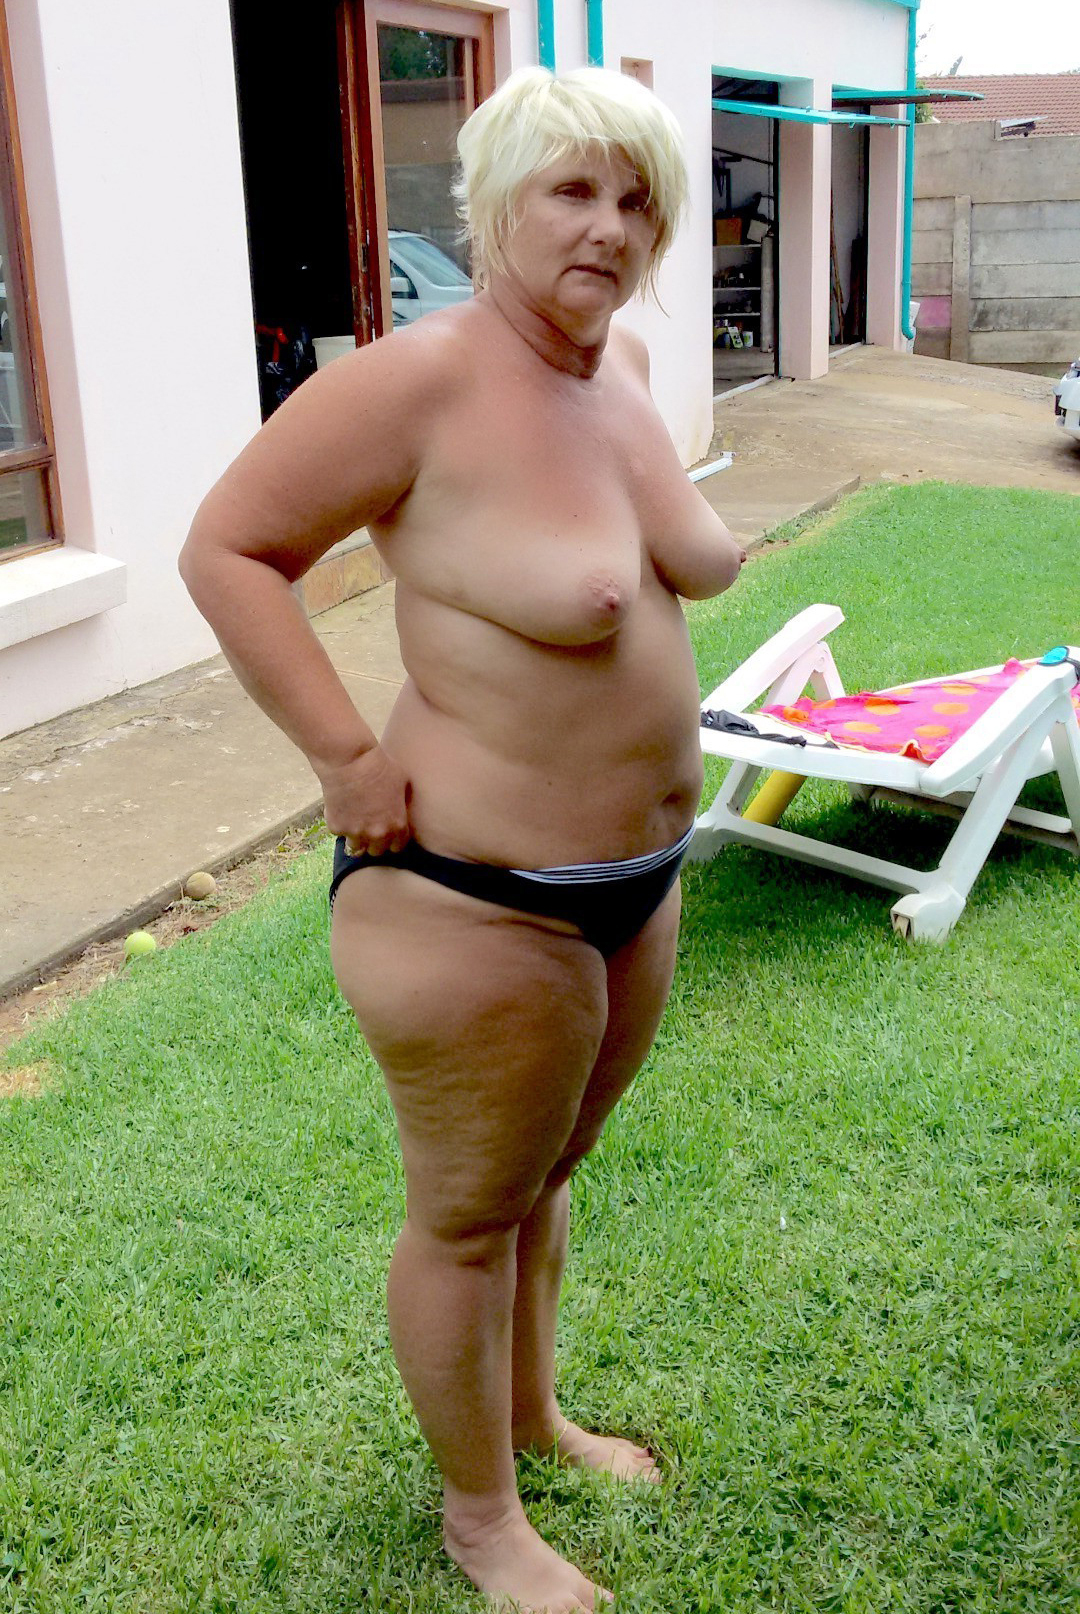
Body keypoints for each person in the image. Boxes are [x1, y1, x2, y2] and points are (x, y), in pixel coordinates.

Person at [180, 65, 743, 1614]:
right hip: (470, 895)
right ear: (493, 203)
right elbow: (227, 548)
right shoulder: (415, 383)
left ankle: (534, 1416)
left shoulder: (624, 363)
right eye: (573, 190)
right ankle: (480, 1519)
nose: (609, 226)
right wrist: (344, 756)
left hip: (633, 883)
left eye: (635, 198)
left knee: (550, 1173)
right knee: (470, 1211)